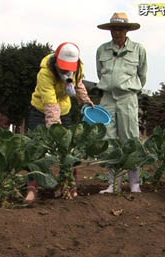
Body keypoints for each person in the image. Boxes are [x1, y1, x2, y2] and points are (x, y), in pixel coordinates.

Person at [24, 42, 94, 203]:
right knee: (36, 149)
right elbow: (50, 102)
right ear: (56, 61)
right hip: (41, 111)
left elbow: (79, 84)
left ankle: (69, 185)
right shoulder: (45, 73)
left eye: (68, 68)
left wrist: (85, 100)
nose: (65, 71)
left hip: (65, 110)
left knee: (69, 149)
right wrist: (56, 128)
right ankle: (33, 188)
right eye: (62, 68)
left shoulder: (78, 68)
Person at [96, 12, 148, 193]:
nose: (117, 32)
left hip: (128, 98)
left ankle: (135, 183)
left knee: (130, 139)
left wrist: (128, 87)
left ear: (127, 30)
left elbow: (142, 75)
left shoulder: (138, 49)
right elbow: (99, 73)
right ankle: (113, 183)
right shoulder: (102, 50)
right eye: (114, 29)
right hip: (107, 98)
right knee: (108, 139)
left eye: (120, 29)